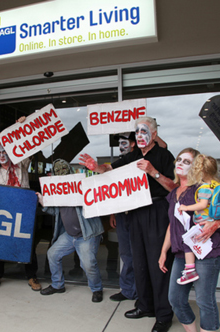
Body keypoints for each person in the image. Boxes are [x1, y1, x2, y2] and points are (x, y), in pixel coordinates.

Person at [80, 117, 177, 332]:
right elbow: (108, 169)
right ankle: (145, 305)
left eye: (144, 131)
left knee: (158, 262)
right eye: (137, 132)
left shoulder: (163, 155)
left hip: (157, 211)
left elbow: (173, 187)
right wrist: (95, 166)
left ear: (153, 134)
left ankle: (163, 314)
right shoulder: (131, 156)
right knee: (139, 259)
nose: (140, 136)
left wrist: (153, 171)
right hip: (135, 211)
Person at [158, 148, 220, 332]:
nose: (180, 163)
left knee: (204, 300)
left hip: (207, 251)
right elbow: (173, 225)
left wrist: (215, 225)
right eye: (179, 159)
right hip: (182, 253)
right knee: (176, 299)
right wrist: (163, 251)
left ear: (196, 167)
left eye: (187, 161)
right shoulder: (174, 193)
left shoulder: (203, 187)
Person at [37, 159, 104, 302]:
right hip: (69, 235)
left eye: (64, 170)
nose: (61, 173)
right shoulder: (56, 190)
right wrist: (43, 201)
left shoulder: (83, 185)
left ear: (70, 171)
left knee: (87, 263)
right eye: (58, 171)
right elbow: (55, 212)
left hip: (87, 234)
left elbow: (97, 202)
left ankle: (97, 288)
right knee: (52, 254)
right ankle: (57, 285)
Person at [0, 116, 41, 292]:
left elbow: (30, 145)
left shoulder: (21, 165)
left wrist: (20, 127)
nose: (2, 156)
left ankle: (32, 276)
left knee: (28, 243)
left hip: (23, 210)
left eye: (5, 152)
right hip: (4, 212)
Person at [177, 154, 220, 284]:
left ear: (200, 172)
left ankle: (189, 270)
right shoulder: (218, 185)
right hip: (216, 218)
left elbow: (202, 205)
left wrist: (186, 207)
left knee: (187, 242)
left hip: (203, 221)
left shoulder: (204, 187)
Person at [109, 132, 137, 302]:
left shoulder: (141, 159)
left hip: (138, 213)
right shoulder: (118, 164)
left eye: (124, 141)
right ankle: (127, 290)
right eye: (119, 141)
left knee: (139, 254)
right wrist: (113, 212)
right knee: (126, 254)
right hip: (121, 213)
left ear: (133, 143)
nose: (121, 144)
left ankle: (141, 291)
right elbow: (112, 190)